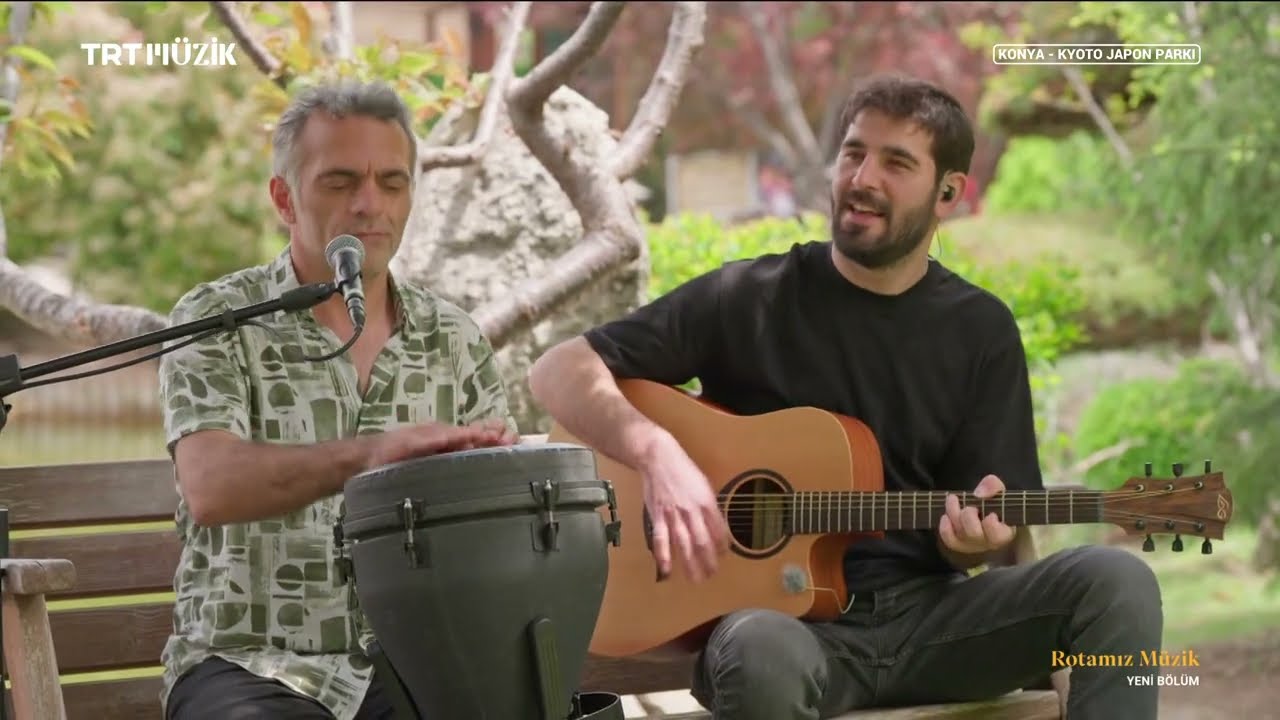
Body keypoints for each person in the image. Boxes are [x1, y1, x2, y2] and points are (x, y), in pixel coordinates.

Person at [528, 74, 1163, 720]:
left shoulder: (979, 331)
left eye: (896, 162)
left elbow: (995, 540)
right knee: (759, 655)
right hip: (790, 637)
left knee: (1118, 582)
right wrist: (658, 457)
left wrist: (967, 545)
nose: (864, 178)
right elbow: (558, 369)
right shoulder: (750, 298)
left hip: (933, 625)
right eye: (854, 153)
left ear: (948, 193)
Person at [157, 79, 519, 720]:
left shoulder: (455, 340)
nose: (368, 205)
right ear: (284, 199)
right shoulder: (216, 318)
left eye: (392, 182)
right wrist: (374, 454)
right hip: (249, 665)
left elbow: (500, 522)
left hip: (418, 662)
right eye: (340, 181)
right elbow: (212, 486)